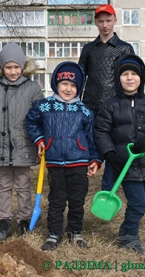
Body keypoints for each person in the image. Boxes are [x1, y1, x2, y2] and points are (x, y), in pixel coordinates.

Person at [93, 54, 145, 255]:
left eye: (134, 74)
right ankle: (129, 236)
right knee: (138, 202)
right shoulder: (110, 105)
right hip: (123, 164)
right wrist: (110, 153)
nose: (129, 78)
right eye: (125, 74)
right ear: (118, 79)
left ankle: (127, 230)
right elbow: (100, 131)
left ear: (141, 78)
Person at [26, 62, 101, 251]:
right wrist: (39, 139)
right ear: (55, 84)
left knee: (77, 200)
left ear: (79, 88)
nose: (68, 89)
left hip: (79, 162)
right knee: (56, 199)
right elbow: (31, 121)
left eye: (73, 85)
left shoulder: (85, 111)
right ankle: (54, 233)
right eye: (64, 84)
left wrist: (95, 159)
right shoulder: (44, 106)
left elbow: (92, 138)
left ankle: (75, 231)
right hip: (54, 162)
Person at [0, 43, 44, 242]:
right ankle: (4, 220)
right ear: (1, 68)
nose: (13, 71)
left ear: (23, 66)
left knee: (24, 184)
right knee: (5, 185)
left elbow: (40, 118)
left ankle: (24, 219)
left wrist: (40, 141)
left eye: (16, 67)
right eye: (8, 67)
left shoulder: (33, 88)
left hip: (24, 146)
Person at [79, 4, 135, 191]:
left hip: (115, 106)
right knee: (88, 145)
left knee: (113, 148)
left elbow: (131, 77)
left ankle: (108, 189)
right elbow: (80, 77)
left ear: (115, 21)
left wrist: (131, 104)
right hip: (90, 105)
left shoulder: (124, 48)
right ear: (96, 22)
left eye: (108, 20)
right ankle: (79, 185)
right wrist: (75, 104)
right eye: (101, 21)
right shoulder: (89, 49)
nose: (105, 25)